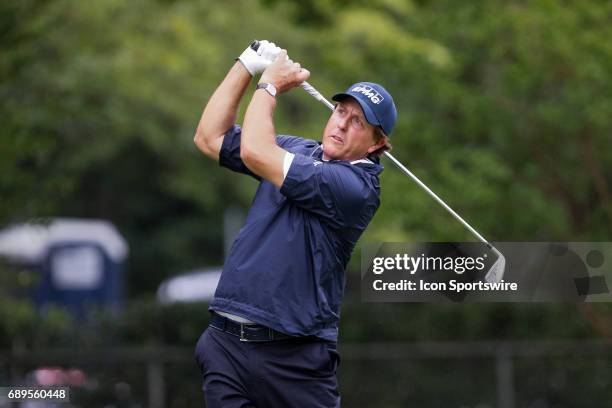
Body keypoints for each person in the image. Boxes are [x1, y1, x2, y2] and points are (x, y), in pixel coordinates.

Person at [193, 40, 397, 408]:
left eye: (357, 123)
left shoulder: (357, 189)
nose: (341, 125)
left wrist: (269, 86)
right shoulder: (298, 150)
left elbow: (257, 151)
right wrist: (246, 63)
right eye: (340, 112)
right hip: (226, 346)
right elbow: (209, 138)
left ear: (376, 144)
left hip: (294, 360)